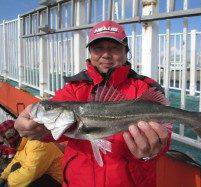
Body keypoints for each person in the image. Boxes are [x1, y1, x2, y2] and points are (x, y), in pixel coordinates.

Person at [14, 20, 172, 187]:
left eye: (114, 48)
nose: (106, 55)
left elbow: (165, 134)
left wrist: (154, 149)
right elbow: (52, 125)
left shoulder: (145, 88)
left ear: (127, 52)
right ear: (90, 52)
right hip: (78, 181)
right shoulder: (73, 89)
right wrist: (32, 128)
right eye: (98, 48)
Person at [0, 120, 63, 187]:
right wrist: (3, 177)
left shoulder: (38, 144)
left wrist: (9, 183)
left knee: (27, 183)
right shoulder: (23, 144)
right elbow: (16, 160)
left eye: (3, 140)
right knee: (16, 167)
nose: (3, 144)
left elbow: (30, 173)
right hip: (44, 174)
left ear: (10, 137)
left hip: (58, 179)